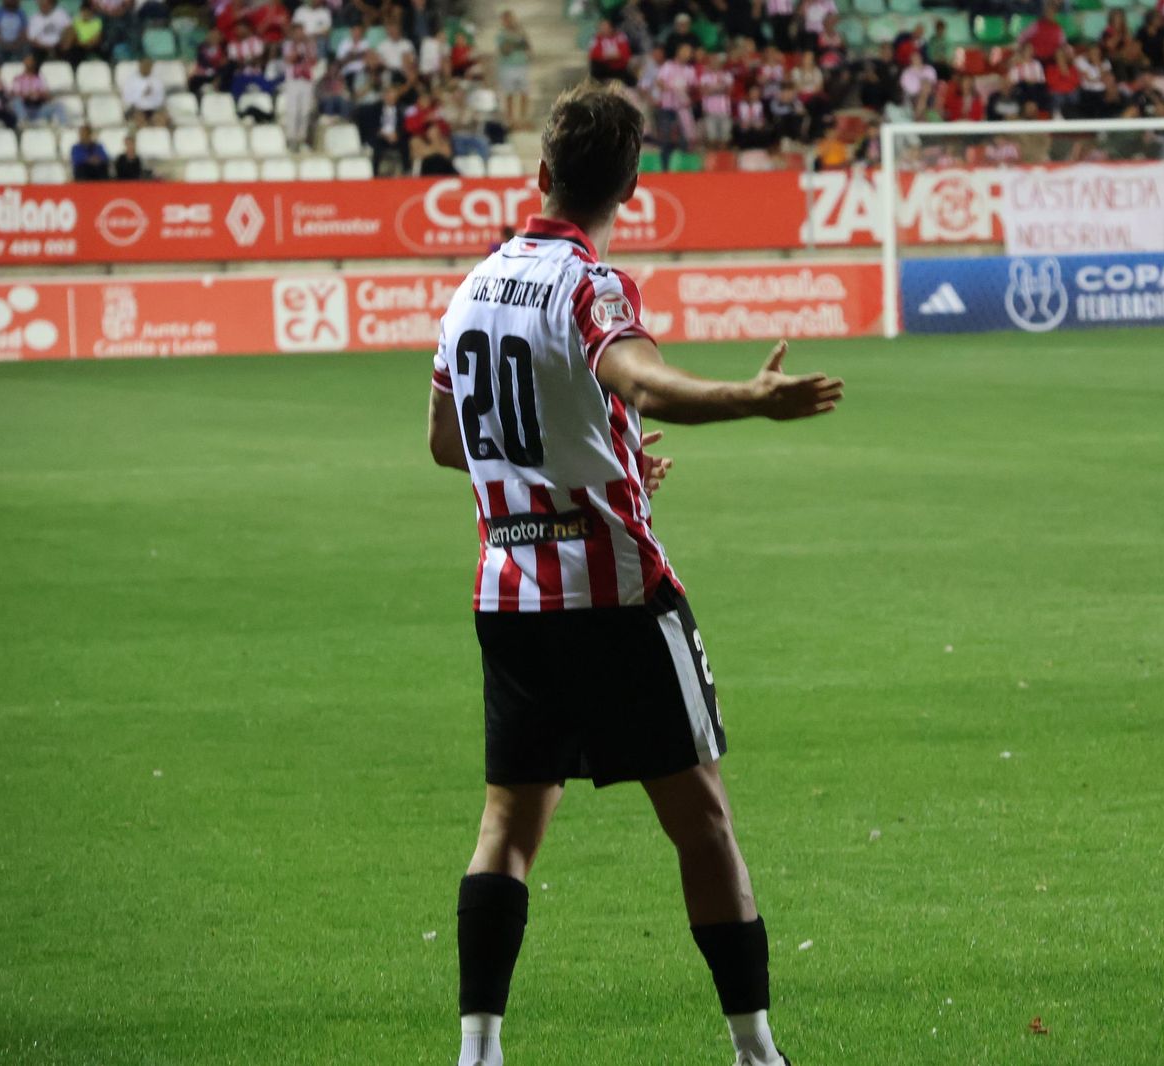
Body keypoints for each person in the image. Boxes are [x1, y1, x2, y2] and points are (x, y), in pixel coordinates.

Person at [426, 79, 837, 1066]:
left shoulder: (474, 286)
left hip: (508, 593)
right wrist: (748, 395)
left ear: (540, 173)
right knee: (700, 818)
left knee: (507, 825)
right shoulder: (589, 283)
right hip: (611, 590)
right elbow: (641, 377)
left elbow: (449, 443)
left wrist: (597, 448)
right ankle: (756, 1051)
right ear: (632, 188)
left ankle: (478, 1052)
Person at [496, 10, 531, 130]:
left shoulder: (521, 32)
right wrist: (517, 42)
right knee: (509, 94)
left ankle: (522, 119)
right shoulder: (501, 35)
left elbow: (527, 46)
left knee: (524, 93)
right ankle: (511, 121)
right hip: (508, 67)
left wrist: (518, 40)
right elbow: (505, 50)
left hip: (521, 65)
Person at [11, 54, 63, 124]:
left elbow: (47, 95)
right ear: (24, 63)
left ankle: (65, 127)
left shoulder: (40, 78)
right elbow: (15, 94)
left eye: (31, 61)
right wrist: (27, 95)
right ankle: (24, 121)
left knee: (58, 105)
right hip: (25, 108)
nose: (29, 63)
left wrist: (39, 94)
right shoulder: (18, 78)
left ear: (34, 63)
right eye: (27, 61)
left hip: (38, 108)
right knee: (16, 101)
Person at [122, 57, 167, 125]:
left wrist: (152, 96)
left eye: (148, 65)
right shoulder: (131, 81)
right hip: (137, 108)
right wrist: (142, 94)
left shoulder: (157, 81)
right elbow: (127, 99)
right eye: (144, 65)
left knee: (162, 119)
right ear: (140, 66)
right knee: (139, 119)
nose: (146, 67)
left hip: (153, 109)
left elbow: (161, 99)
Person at [0, 0, 29, 65]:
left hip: (17, 44)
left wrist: (16, 44)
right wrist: (5, 44)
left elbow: (24, 32)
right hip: (1, 44)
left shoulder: (21, 13)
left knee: (26, 46)